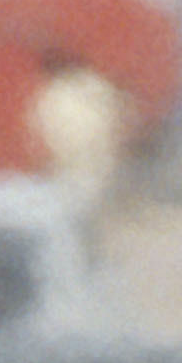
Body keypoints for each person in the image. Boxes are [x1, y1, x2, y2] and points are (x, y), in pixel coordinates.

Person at [26, 46, 124, 260]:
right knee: (86, 213)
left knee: (71, 216)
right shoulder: (97, 90)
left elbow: (41, 133)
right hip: (92, 164)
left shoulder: (55, 95)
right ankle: (88, 256)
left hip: (70, 166)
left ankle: (80, 256)